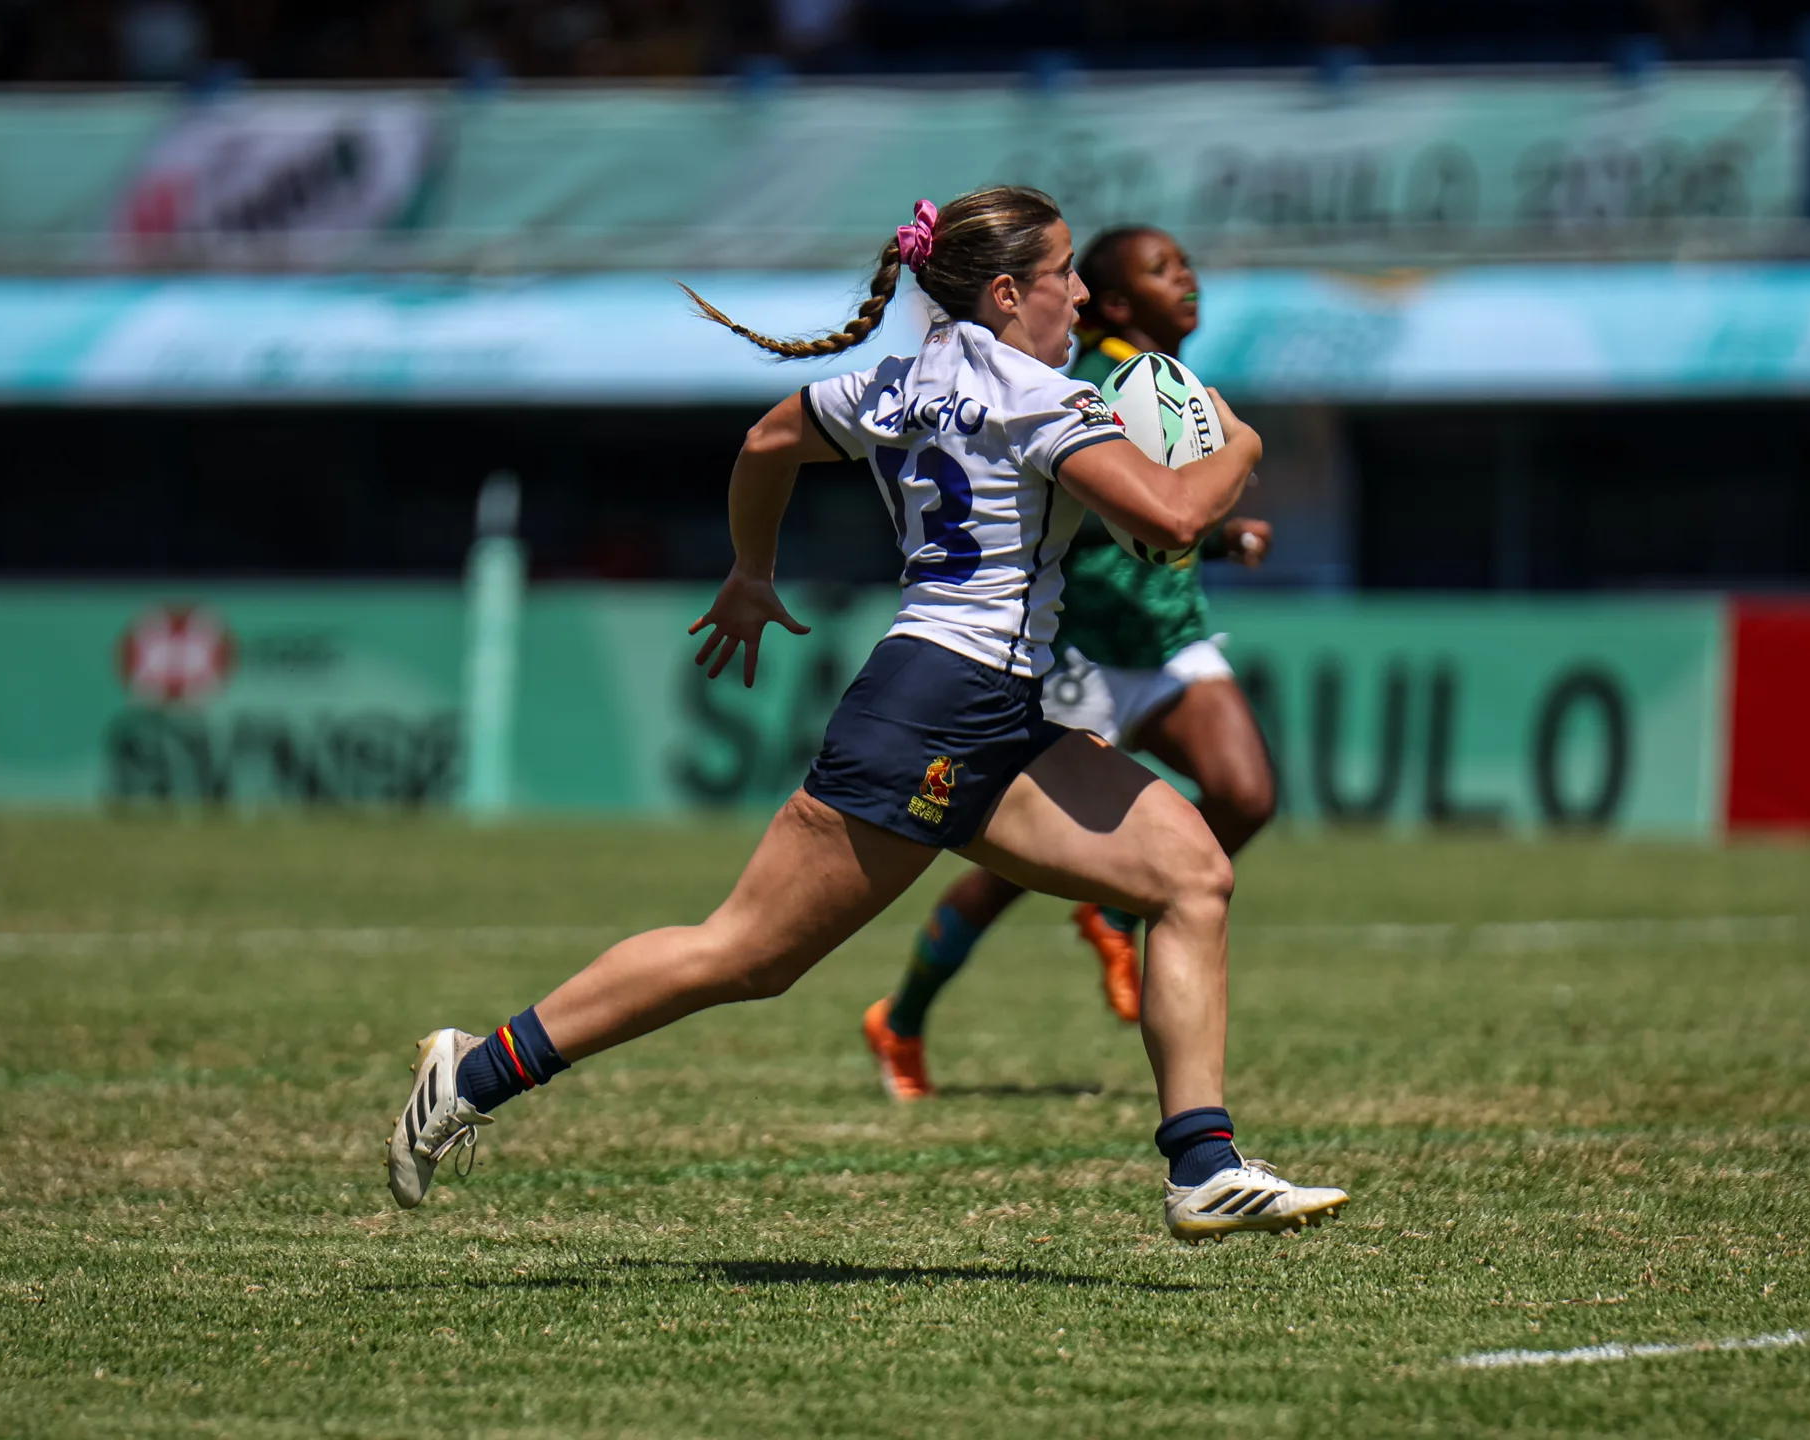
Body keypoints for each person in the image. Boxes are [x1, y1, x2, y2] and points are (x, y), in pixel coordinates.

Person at [385, 188, 1349, 1243]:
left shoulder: (897, 382)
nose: (1081, 292)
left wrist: (752, 571)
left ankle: (1202, 1167)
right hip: (939, 707)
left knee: (1193, 876)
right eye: (1066, 271)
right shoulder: (1042, 399)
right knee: (746, 955)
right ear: (1005, 290)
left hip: (986, 705)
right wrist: (1240, 445)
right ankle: (472, 1072)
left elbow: (766, 440)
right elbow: (1169, 520)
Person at [862, 225, 1280, 1102]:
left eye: (1187, 261)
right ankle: (900, 1018)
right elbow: (1102, 510)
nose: (1190, 278)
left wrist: (1221, 531)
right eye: (1166, 270)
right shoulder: (1080, 384)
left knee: (1245, 793)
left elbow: (1162, 512)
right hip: (1079, 656)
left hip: (1167, 639)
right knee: (1000, 878)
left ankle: (1116, 908)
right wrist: (1209, 501)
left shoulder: (1163, 380)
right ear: (1116, 302)